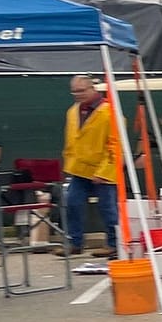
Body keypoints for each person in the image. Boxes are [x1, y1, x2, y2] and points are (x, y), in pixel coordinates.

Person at [61, 74, 120, 257]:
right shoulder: (72, 112)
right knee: (72, 203)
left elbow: (115, 144)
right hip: (79, 169)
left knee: (108, 207)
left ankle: (114, 243)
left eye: (81, 90)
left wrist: (103, 172)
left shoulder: (109, 112)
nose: (77, 94)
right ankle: (75, 243)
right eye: (74, 91)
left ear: (93, 88)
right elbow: (72, 140)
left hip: (104, 170)